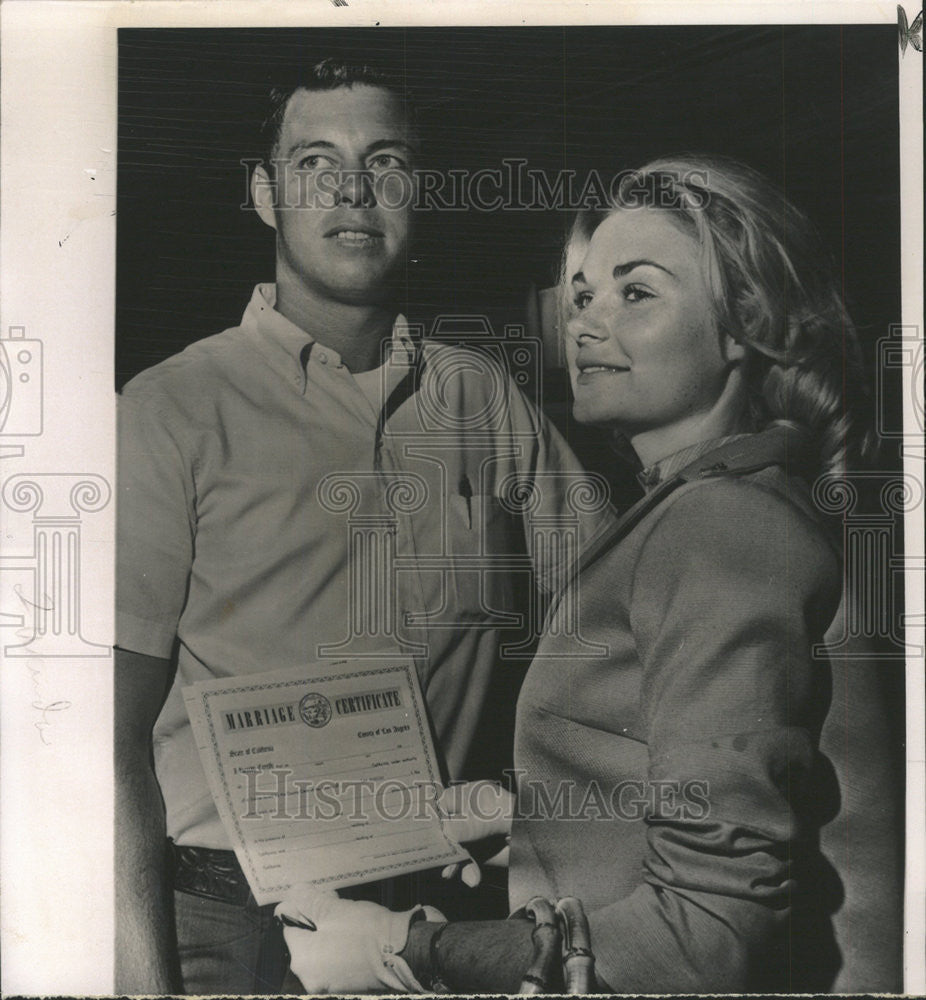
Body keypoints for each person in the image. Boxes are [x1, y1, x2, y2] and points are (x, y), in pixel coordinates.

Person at [276, 155, 901, 993]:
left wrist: (399, 951)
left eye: (635, 293)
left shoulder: (721, 527)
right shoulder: (718, 504)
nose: (584, 324)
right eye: (581, 297)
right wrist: (523, 812)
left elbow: (706, 934)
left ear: (742, 324)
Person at [114, 58, 614, 995]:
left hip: (439, 918)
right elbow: (100, 744)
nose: (352, 188)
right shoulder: (168, 411)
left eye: (385, 160)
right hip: (229, 929)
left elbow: (628, 612)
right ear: (264, 195)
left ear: (417, 193)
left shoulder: (483, 400)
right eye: (314, 162)